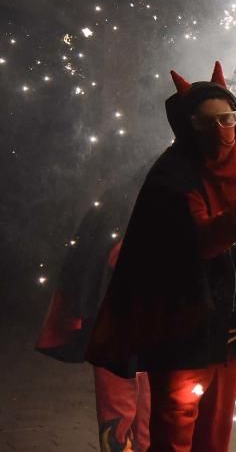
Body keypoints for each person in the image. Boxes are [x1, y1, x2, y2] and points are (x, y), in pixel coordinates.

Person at [87, 62, 236, 452]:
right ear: (186, 124)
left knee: (214, 438)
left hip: (231, 329)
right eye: (206, 122)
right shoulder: (173, 175)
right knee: (174, 435)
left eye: (227, 118)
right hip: (182, 331)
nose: (220, 130)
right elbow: (201, 241)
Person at [36, 166, 151, 451]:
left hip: (152, 323)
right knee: (120, 416)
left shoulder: (172, 194)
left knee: (151, 410)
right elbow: (94, 263)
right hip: (112, 321)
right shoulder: (121, 202)